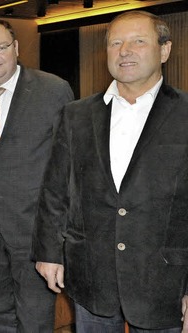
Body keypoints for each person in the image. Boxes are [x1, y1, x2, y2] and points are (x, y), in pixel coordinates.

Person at [33, 10, 188, 332]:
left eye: (138, 41)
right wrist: (48, 253)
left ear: (164, 50)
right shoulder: (75, 115)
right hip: (91, 276)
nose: (124, 51)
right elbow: (55, 191)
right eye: (115, 43)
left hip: (164, 281)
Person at [0, 19, 74, 332]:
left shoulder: (53, 90)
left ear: (16, 48)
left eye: (1, 47)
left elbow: (67, 167)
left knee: (34, 318)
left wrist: (58, 235)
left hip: (34, 229)